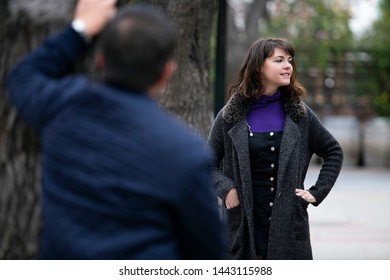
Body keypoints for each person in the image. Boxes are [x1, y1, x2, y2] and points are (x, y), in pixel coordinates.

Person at [6, 0, 223, 260]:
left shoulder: (65, 107)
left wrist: (80, 28)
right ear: (166, 73)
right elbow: (208, 251)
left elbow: (23, 77)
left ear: (100, 59)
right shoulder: (187, 151)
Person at [206, 38, 343, 260]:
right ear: (258, 66)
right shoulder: (229, 116)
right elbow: (206, 163)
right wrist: (226, 188)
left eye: (289, 60)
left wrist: (316, 193)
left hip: (288, 224)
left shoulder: (299, 114)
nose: (288, 65)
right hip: (242, 223)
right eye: (279, 60)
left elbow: (333, 151)